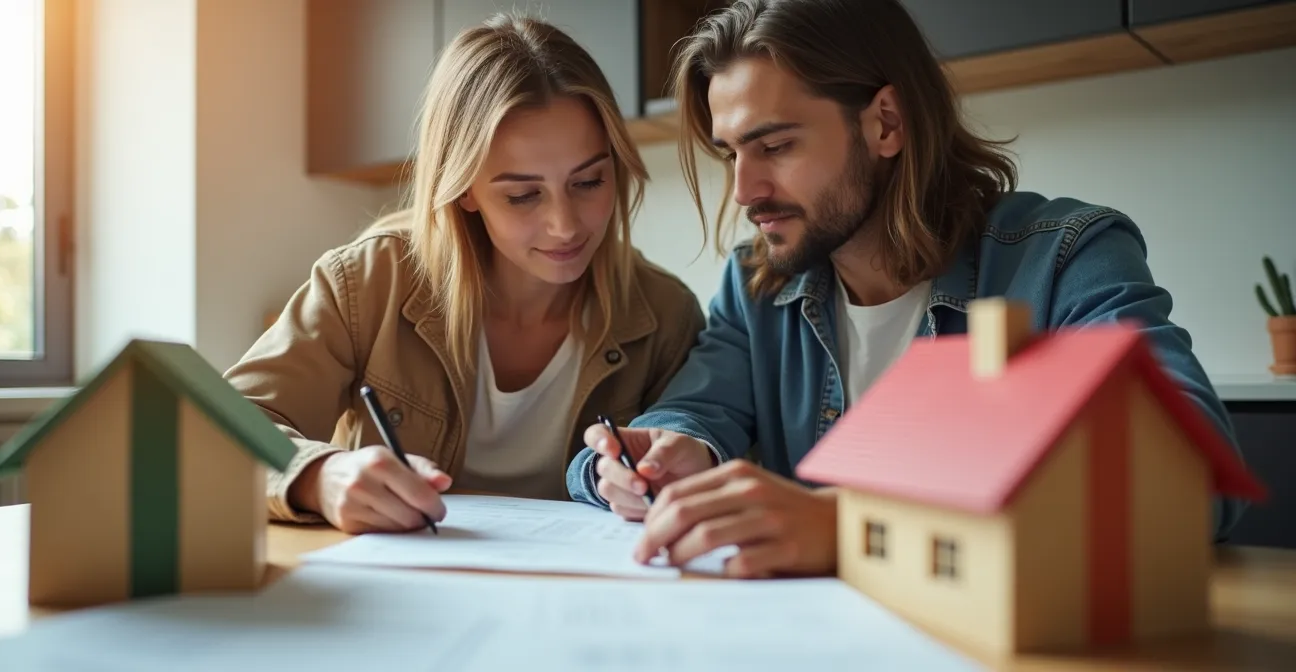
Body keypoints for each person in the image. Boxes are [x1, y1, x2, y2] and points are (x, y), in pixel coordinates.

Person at [568, 0, 1248, 578]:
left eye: (774, 146)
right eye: (731, 153)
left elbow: (1193, 480)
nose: (744, 191)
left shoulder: (1064, 258)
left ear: (885, 124)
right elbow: (697, 411)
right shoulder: (757, 286)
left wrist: (853, 525)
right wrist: (660, 454)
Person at [225, 14, 704, 534]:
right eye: (522, 195)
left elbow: (698, 474)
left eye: (589, 182)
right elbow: (217, 428)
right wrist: (318, 476)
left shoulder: (665, 315)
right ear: (464, 189)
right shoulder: (370, 281)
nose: (565, 225)